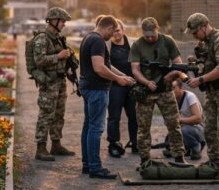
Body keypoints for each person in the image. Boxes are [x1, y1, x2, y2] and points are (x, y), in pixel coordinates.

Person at [185, 13, 219, 179]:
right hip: (211, 92)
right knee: (209, 128)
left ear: (204, 27)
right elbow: (207, 64)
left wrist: (201, 79)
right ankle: (214, 162)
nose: (194, 36)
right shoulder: (205, 42)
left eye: (195, 32)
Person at [79, 15, 136, 179]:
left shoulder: (88, 37)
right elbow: (99, 68)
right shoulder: (98, 41)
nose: (113, 35)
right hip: (96, 90)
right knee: (96, 128)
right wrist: (117, 79)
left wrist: (123, 76)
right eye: (113, 31)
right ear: (109, 27)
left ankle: (87, 164)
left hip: (88, 87)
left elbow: (106, 65)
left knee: (88, 126)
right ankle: (95, 167)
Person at [129, 17, 187, 165]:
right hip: (145, 92)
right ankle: (144, 159)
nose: (149, 38)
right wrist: (146, 82)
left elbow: (178, 64)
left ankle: (179, 157)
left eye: (152, 35)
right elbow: (135, 70)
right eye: (146, 35)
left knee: (174, 124)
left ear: (158, 29)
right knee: (143, 127)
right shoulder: (137, 45)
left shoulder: (168, 42)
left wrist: (171, 76)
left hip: (165, 91)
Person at [28, 7, 77, 161]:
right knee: (46, 114)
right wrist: (59, 56)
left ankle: (56, 144)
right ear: (53, 20)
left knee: (58, 114)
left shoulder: (58, 38)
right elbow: (39, 61)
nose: (64, 24)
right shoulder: (42, 38)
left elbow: (64, 58)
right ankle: (41, 148)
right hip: (49, 82)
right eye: (62, 21)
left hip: (60, 81)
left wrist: (70, 59)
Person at [106, 19, 138, 157]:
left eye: (118, 30)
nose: (116, 33)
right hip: (115, 85)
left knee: (134, 116)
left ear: (123, 30)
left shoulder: (132, 44)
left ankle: (135, 142)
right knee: (114, 117)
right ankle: (114, 144)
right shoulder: (107, 45)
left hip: (132, 85)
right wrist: (122, 77)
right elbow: (106, 64)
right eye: (113, 31)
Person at [166, 78, 205, 160]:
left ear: (181, 88)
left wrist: (180, 120)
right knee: (168, 140)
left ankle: (196, 146)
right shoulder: (171, 100)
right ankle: (185, 150)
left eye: (174, 88)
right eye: (170, 88)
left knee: (184, 131)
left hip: (197, 128)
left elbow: (198, 118)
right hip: (183, 128)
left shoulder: (190, 97)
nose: (171, 91)